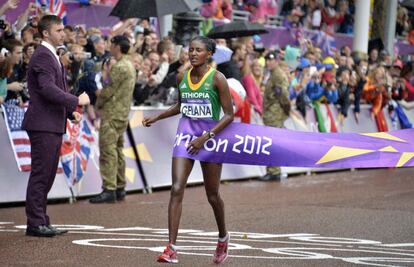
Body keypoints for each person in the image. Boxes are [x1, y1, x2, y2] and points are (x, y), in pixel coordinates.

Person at [142, 36, 234, 264]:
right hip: (185, 136)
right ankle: (171, 247)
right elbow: (182, 105)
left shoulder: (218, 79)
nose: (192, 54)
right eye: (190, 50)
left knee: (212, 195)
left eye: (198, 50)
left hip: (209, 139)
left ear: (209, 54)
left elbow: (230, 115)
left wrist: (206, 137)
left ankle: (223, 237)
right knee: (176, 188)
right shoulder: (182, 76)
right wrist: (158, 116)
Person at [21, 15, 90, 237]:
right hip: (43, 124)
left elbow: (54, 89)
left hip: (50, 123)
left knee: (48, 174)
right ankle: (35, 223)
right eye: (59, 30)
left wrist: (71, 113)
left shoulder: (51, 55)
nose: (63, 33)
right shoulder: (43, 56)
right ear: (46, 33)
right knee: (42, 174)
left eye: (63, 29)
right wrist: (76, 101)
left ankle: (41, 220)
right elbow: (47, 89)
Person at [89, 35, 136, 203]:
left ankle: (109, 188)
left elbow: (108, 90)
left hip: (111, 113)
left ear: (117, 46)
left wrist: (97, 104)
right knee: (117, 149)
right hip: (122, 113)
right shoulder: (129, 65)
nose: (109, 46)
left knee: (108, 150)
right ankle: (120, 186)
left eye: (111, 43)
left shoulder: (120, 67)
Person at [259, 51, 290, 181]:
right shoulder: (272, 74)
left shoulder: (277, 75)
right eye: (266, 60)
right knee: (271, 142)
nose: (267, 63)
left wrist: (286, 109)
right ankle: (273, 170)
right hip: (271, 113)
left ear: (276, 61)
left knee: (272, 143)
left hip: (275, 113)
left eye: (270, 60)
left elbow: (283, 94)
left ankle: (274, 171)